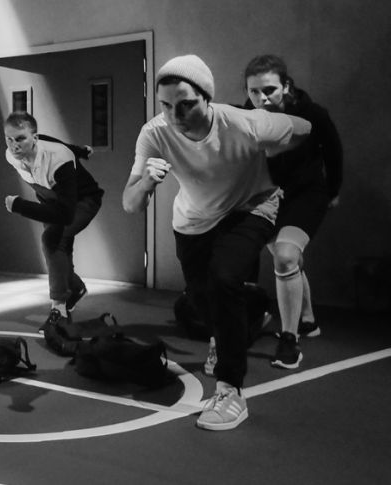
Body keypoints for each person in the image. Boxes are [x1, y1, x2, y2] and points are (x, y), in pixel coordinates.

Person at [122, 55, 311, 431]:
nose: (175, 115)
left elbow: (305, 127)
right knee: (199, 299)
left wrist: (279, 150)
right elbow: (130, 203)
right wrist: (146, 182)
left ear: (207, 98)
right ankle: (244, 315)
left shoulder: (245, 122)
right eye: (166, 105)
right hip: (194, 219)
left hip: (252, 206)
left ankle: (230, 390)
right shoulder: (155, 133)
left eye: (185, 104)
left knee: (224, 277)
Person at [244, 54, 343, 369]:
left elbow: (334, 153)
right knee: (287, 260)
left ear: (286, 86)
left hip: (307, 195)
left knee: (286, 256)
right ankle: (308, 320)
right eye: (254, 91)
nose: (262, 98)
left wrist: (333, 191)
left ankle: (289, 341)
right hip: (270, 197)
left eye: (269, 90)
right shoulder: (247, 115)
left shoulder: (313, 114)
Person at [2, 112, 104, 328]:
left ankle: (59, 309)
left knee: (52, 239)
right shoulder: (11, 154)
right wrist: (79, 150)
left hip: (82, 201)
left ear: (34, 138)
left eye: (20, 139)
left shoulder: (59, 160)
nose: (14, 146)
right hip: (51, 199)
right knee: (59, 249)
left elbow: (65, 214)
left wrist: (20, 205)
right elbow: (49, 139)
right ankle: (75, 288)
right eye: (9, 139)